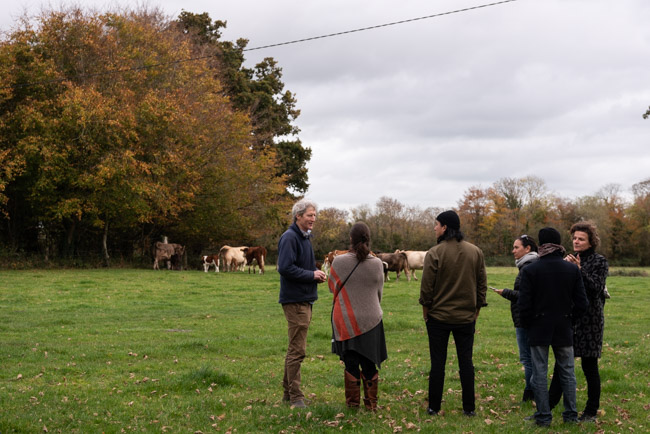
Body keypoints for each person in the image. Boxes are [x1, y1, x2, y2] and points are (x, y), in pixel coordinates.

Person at [419, 210, 488, 417]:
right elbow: (482, 284)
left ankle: (433, 407)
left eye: (436, 224)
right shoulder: (476, 252)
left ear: (445, 227)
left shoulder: (434, 253)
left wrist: (425, 312)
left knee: (437, 363)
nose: (434, 228)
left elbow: (426, 289)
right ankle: (469, 408)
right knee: (466, 362)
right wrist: (476, 309)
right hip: (466, 318)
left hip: (438, 318)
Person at [518, 227, 589, 427]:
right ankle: (571, 415)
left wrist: (528, 325)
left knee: (539, 372)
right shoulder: (572, 269)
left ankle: (543, 416)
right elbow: (582, 304)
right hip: (563, 325)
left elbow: (524, 305)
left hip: (538, 326)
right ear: (559, 243)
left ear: (541, 244)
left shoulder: (530, 270)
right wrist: (569, 319)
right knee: (568, 371)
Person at [548, 221, 609, 422]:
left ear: (591, 242)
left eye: (581, 238)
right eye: (574, 238)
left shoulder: (599, 261)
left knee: (589, 366)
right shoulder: (569, 260)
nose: (576, 241)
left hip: (591, 320)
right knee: (561, 364)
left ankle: (591, 411)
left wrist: (578, 269)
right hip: (570, 318)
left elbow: (596, 288)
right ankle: (547, 407)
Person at [328, 222, 387, 410]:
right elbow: (379, 294)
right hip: (372, 319)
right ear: (368, 239)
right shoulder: (377, 264)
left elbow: (332, 287)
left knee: (351, 364)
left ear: (351, 239)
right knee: (370, 364)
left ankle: (353, 405)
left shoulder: (339, 261)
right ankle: (371, 405)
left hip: (346, 318)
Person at [277, 199, 328, 408]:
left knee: (294, 348)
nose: (313, 219)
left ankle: (288, 394)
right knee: (298, 350)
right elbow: (285, 268)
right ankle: (296, 398)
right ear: (298, 216)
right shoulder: (290, 237)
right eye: (309, 215)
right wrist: (311, 275)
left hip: (305, 299)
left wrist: (315, 275)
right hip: (295, 300)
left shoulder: (305, 238)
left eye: (314, 215)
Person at [494, 234, 539, 403]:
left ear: (527, 249)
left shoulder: (528, 267)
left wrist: (505, 293)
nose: (513, 251)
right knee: (532, 358)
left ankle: (531, 392)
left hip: (525, 319)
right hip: (528, 318)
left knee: (528, 358)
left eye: (516, 247)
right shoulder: (530, 264)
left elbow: (527, 296)